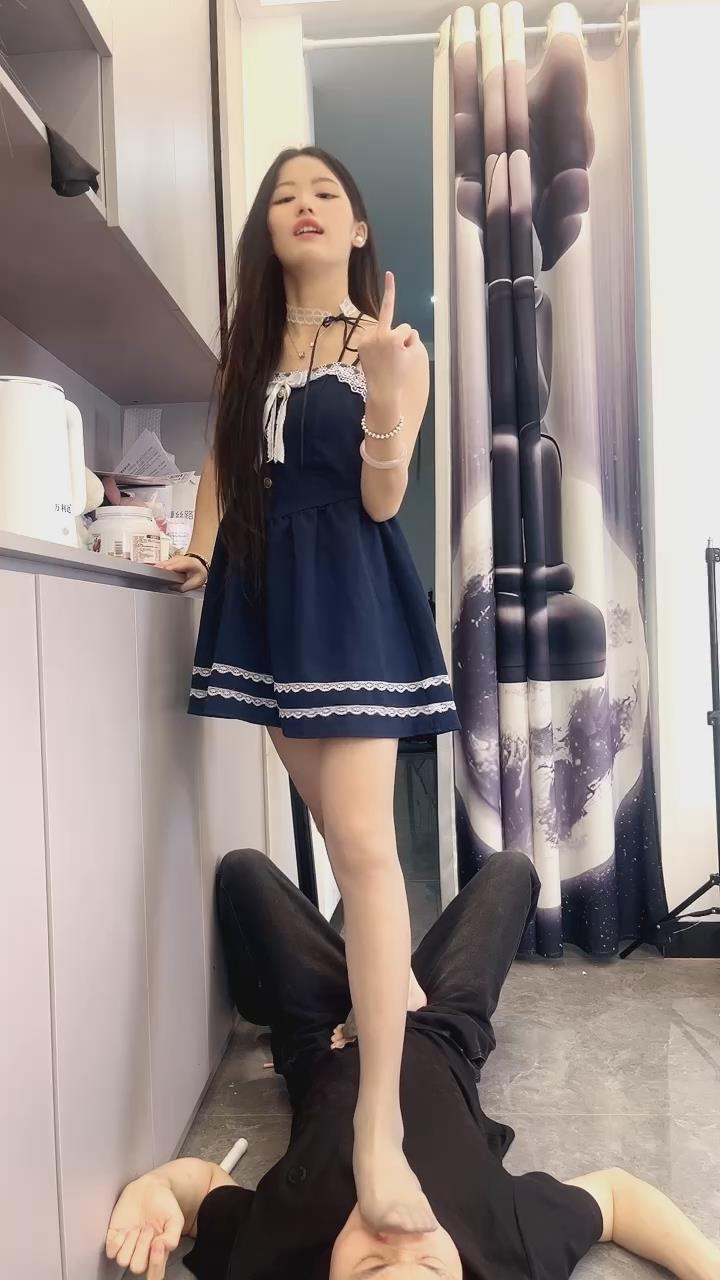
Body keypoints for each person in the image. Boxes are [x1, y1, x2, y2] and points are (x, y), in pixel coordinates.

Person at [158, 145, 460, 1232]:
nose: (306, 205)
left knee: (365, 845)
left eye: (327, 192)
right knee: (340, 833)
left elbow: (384, 499)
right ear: (268, 230)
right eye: (286, 195)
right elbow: (221, 466)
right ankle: (392, 978)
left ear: (358, 227)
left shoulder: (397, 346)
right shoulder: (247, 353)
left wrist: (382, 390)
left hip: (352, 592)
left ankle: (380, 1126)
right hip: (267, 595)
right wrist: (199, 551)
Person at [106, 849, 720, 1280]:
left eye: (371, 1265)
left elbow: (199, 1192)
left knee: (243, 871)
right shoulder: (513, 1252)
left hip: (324, 1034)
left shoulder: (273, 1254)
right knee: (513, 870)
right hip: (441, 1026)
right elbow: (617, 1201)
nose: (399, 1232)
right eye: (429, 1262)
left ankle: (336, 976)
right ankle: (382, 964)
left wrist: (155, 1188)